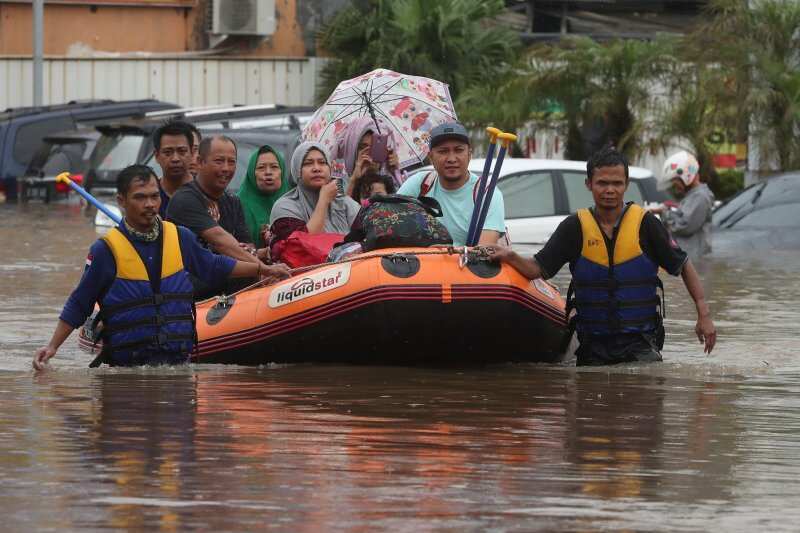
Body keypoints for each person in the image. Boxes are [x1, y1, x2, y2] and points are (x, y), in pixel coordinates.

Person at [32, 165, 290, 371]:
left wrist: (262, 270)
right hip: (126, 370)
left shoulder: (180, 237)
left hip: (177, 365)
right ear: (122, 201)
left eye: (155, 196)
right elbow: (80, 301)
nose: (150, 204)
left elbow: (215, 266)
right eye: (140, 197)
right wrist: (52, 346)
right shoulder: (105, 250)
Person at [482, 145, 717, 366]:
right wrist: (509, 256)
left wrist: (703, 315)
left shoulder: (646, 224)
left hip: (641, 346)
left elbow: (684, 264)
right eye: (602, 183)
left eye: (617, 183)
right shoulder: (574, 227)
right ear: (589, 184)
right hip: (592, 347)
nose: (609, 190)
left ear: (626, 185)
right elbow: (538, 269)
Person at [397, 122, 505, 246]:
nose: (451, 159)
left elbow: (485, 250)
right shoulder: (420, 184)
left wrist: (447, 253)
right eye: (443, 151)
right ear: (431, 157)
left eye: (459, 150)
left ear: (469, 154)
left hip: (469, 264)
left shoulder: (487, 192)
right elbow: (393, 221)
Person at [269, 141, 360, 258]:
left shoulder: (344, 203)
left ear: (330, 168)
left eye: (322, 163)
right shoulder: (285, 207)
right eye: (308, 163)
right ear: (297, 170)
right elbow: (303, 248)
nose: (316, 168)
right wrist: (323, 201)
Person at [650, 150, 715, 259]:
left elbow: (684, 226)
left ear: (686, 176)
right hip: (688, 259)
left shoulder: (700, 197)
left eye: (675, 181)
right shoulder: (692, 196)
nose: (675, 187)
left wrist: (664, 212)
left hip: (695, 261)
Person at [236, 145, 291, 249]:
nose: (268, 172)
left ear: (282, 172)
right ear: (252, 173)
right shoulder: (236, 205)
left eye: (274, 167)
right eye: (261, 168)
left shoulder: (294, 204)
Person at [332, 116, 401, 198]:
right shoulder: (338, 181)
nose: (369, 154)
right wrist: (354, 179)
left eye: (374, 146)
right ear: (352, 151)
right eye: (363, 147)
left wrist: (395, 172)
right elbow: (342, 208)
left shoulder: (388, 180)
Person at [152, 120, 195, 218]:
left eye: (182, 151)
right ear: (156, 156)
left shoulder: (207, 193)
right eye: (168, 152)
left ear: (192, 153)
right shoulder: (149, 197)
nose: (175, 158)